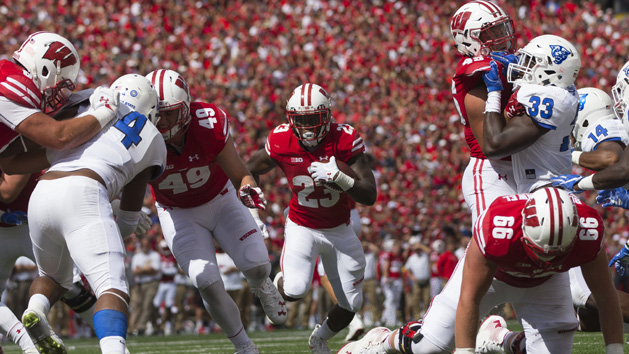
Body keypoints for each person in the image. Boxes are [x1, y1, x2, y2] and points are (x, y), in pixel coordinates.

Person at [341, 188, 624, 354]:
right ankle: (382, 340)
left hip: (546, 283)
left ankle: (500, 337)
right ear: (524, 231)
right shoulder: (498, 227)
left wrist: (615, 350)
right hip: (496, 276)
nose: (545, 257)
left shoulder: (588, 230)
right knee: (430, 347)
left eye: (555, 251)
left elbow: (605, 296)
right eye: (541, 250)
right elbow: (470, 298)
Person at [7, 74, 166, 354]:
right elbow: (128, 219)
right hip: (86, 192)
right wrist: (112, 223)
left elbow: (17, 164)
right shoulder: (152, 136)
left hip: (42, 192)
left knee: (54, 278)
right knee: (111, 287)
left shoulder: (86, 116)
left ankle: (36, 310)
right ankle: (114, 350)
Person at [145, 69, 285, 354]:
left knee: (257, 263)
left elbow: (240, 173)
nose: (162, 121)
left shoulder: (208, 123)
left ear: (185, 109)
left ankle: (262, 284)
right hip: (177, 211)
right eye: (157, 113)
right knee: (204, 279)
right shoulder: (141, 135)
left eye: (170, 113)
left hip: (220, 199)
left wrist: (248, 188)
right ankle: (243, 346)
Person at [246, 82, 377, 354]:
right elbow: (249, 170)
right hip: (302, 225)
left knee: (351, 305)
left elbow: (369, 194)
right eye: (300, 120)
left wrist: (341, 179)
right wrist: (252, 212)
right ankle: (272, 285)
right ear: (290, 119)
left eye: (312, 119)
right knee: (294, 289)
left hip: (340, 229)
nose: (306, 127)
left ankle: (319, 339)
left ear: (327, 116)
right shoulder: (282, 139)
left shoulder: (344, 138)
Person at [481, 34, 581, 194]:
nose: (522, 64)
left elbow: (494, 146)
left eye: (530, 61)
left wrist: (494, 92)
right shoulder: (564, 89)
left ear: (548, 70)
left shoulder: (549, 99)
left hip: (543, 190)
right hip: (547, 188)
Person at [450, 0, 518, 223]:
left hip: (523, 163)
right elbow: (483, 66)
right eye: (492, 32)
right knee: (490, 244)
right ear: (468, 40)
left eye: (502, 28)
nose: (502, 36)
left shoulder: (503, 61)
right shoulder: (470, 68)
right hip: (492, 169)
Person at [0, 32, 120, 157]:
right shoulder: (13, 87)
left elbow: (9, 159)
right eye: (60, 84)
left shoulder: (7, 76)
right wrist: (105, 111)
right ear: (45, 69)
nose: (57, 90)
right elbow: (59, 137)